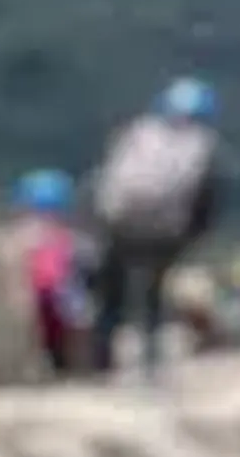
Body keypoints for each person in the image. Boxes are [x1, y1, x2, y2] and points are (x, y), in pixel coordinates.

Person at [86, 77, 228, 378]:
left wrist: (100, 220)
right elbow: (205, 201)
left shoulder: (138, 133)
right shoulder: (202, 145)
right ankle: (151, 365)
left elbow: (107, 180)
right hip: (165, 232)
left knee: (111, 296)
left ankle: (98, 364)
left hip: (119, 225)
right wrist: (191, 236)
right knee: (152, 296)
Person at [15, 167, 99, 378]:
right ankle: (81, 370)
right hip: (63, 305)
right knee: (81, 316)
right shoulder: (70, 239)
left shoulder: (19, 236)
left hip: (31, 304)